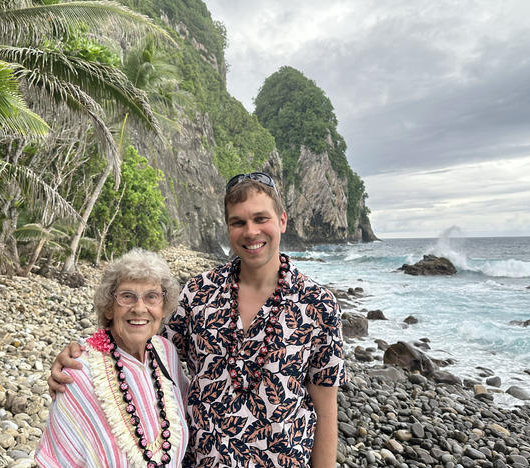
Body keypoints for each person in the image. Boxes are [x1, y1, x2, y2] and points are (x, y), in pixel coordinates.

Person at [49, 172, 346, 467]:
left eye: (261, 219)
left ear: (282, 220)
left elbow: (326, 410)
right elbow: (140, 341)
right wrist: (81, 356)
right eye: (238, 222)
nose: (251, 232)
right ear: (228, 228)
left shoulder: (318, 304)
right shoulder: (199, 293)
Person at [37, 249, 189, 467]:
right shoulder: (79, 371)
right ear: (109, 307)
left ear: (163, 307)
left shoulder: (167, 354)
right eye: (127, 296)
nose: (139, 308)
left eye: (151, 297)